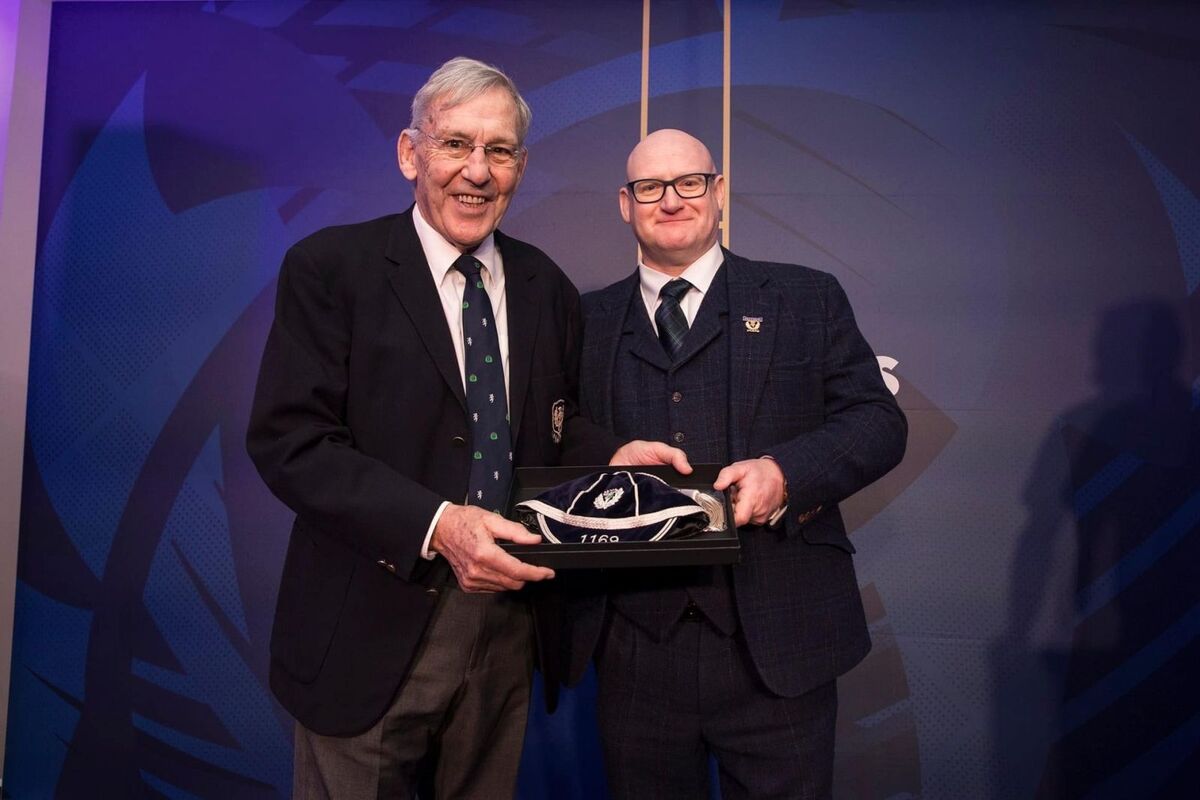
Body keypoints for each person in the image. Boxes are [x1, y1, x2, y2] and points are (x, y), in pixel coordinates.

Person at [246, 58, 679, 799]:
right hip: (366, 631)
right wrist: (439, 524)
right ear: (412, 153)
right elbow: (293, 443)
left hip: (506, 628)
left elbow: (547, 426)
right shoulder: (331, 269)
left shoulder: (544, 286)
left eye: (499, 150)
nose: (477, 171)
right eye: (456, 145)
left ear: (520, 166)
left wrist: (614, 454)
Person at [558, 129, 908, 799]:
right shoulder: (584, 320)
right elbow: (549, 434)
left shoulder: (807, 299)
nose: (670, 201)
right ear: (624, 205)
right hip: (633, 649)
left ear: (718, 192)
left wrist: (786, 473)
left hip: (780, 643)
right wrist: (606, 455)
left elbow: (877, 420)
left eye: (689, 182)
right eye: (649, 188)